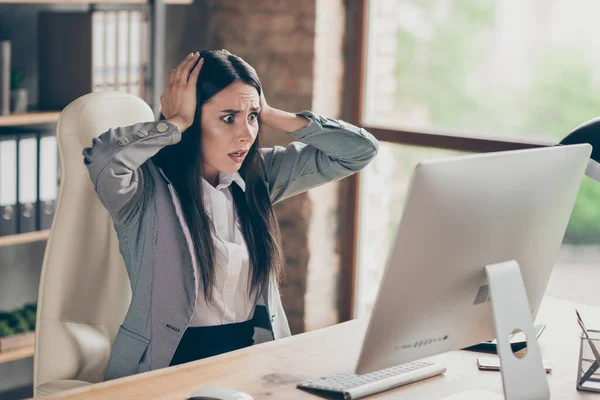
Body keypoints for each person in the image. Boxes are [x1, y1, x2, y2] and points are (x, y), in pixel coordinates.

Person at [82, 49, 379, 381]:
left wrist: (267, 111)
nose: (247, 134)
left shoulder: (258, 177)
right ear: (193, 117)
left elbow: (359, 152)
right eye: (228, 118)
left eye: (251, 118)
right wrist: (174, 123)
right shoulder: (145, 189)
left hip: (246, 366)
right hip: (164, 371)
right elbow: (102, 160)